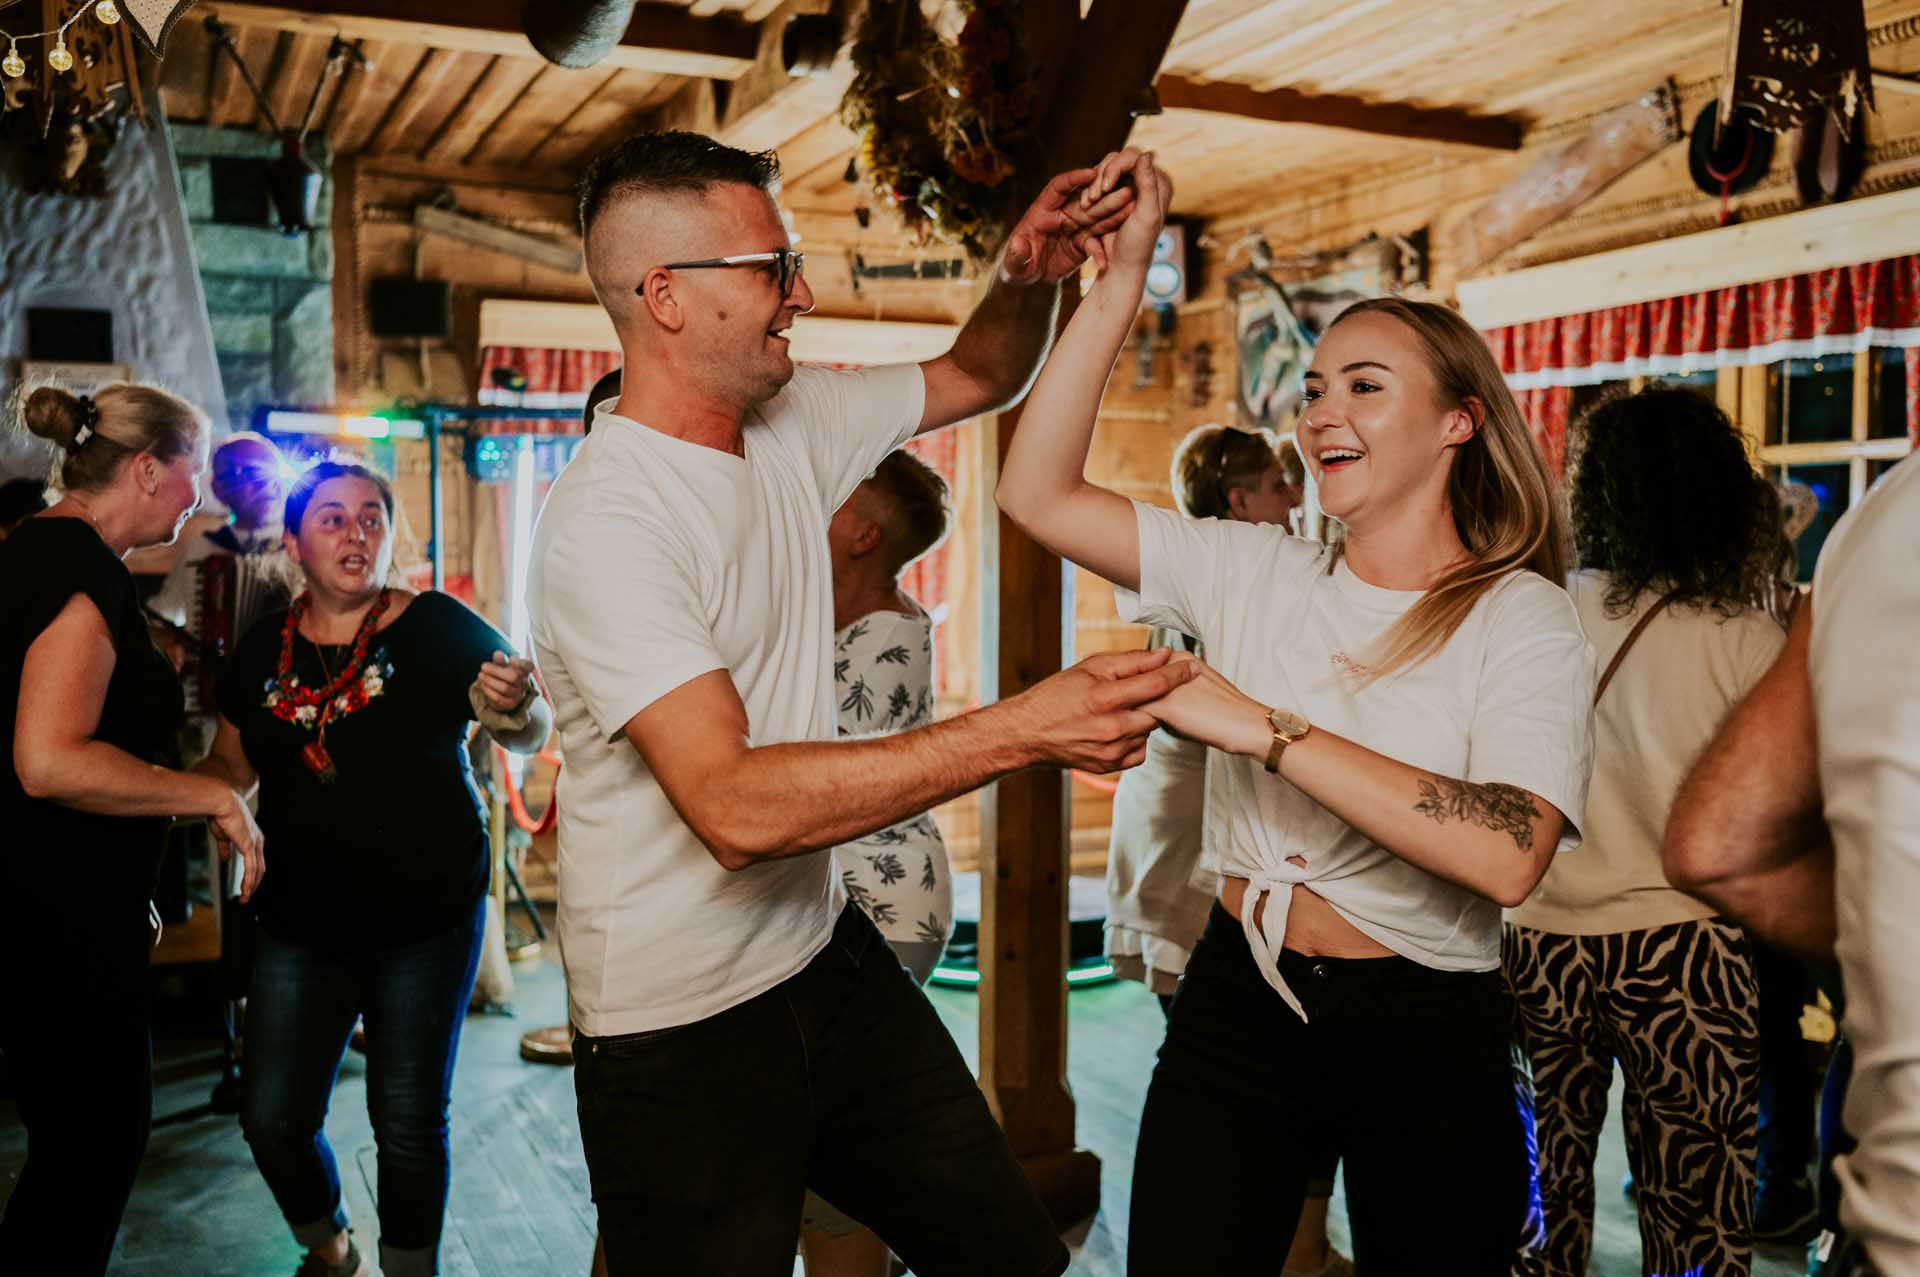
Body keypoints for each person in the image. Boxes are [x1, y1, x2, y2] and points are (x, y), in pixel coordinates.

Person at [528, 129, 1195, 1277]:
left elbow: (980, 371)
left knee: (1010, 1254)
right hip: (674, 1027)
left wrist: (1027, 273)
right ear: (665, 297)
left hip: (822, 955)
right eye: (773, 268)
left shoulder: (797, 418)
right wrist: (1026, 725)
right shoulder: (611, 522)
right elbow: (733, 806)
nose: (802, 292)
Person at [995, 149, 1595, 1273]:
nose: (1322, 412)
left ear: (1459, 422)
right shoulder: (1253, 568)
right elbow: (1035, 492)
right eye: (1314, 388)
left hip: (1426, 1023)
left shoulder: (1520, 615)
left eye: (1365, 385)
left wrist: (1268, 730)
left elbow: (1510, 850)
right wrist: (1117, 282)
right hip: (1240, 993)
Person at [194, 460, 552, 1277]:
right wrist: (185, 795)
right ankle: (330, 1247)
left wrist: (515, 709)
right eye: (332, 518)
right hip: (300, 918)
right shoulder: (260, 650)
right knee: (272, 1116)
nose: (356, 533)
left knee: (408, 1120)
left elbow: (528, 729)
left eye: (371, 518)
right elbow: (228, 765)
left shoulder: (438, 626)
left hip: (426, 916)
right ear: (293, 544)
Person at [1501, 386, 1785, 1276]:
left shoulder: (1531, 611)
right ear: (1719, 493)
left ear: (1590, 493)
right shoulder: (1745, 637)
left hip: (1536, 939)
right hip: (1686, 946)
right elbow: (1777, 812)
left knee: (1536, 1203)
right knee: (1697, 1216)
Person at [0, 383, 265, 1275]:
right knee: (90, 1156)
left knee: (74, 1152)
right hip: (55, 924)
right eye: (194, 472)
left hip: (56, 908)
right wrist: (211, 798)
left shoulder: (35, 551)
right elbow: (48, 760)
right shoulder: (81, 572)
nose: (201, 495)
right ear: (147, 469)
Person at [1666, 453, 1920, 1276]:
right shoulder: (1755, 624)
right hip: (1725, 914)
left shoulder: (1880, 524)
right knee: (1784, 1050)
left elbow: (1716, 839)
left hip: (1894, 1216)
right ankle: (1779, 1184)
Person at [802, 446, 957, 1276]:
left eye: (833, 496)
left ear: (863, 535)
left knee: (838, 1124)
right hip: (848, 893)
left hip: (886, 902)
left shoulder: (886, 640)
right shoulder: (836, 617)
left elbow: (822, 772)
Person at [148, 429, 290, 630]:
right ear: (219, 489)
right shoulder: (202, 550)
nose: (264, 483)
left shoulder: (305, 547)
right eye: (246, 473)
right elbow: (162, 616)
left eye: (270, 469)